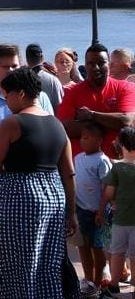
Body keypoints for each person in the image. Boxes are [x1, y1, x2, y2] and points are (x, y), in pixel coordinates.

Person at [0, 43, 54, 299]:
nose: (10, 70)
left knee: (28, 252)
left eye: (15, 66)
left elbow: (51, 137)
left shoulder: (41, 99)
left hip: (30, 190)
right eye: (5, 66)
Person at [0, 67, 77, 299]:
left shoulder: (12, 123)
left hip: (20, 195)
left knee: (19, 262)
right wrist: (71, 212)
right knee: (49, 263)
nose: (6, 100)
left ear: (20, 94)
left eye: (7, 95)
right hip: (54, 194)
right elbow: (68, 172)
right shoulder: (57, 125)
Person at [57, 43, 135, 159]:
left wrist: (91, 115)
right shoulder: (72, 93)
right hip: (82, 168)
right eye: (91, 63)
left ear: (108, 64)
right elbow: (64, 129)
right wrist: (110, 122)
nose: (96, 67)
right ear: (85, 65)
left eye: (101, 63)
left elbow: (126, 121)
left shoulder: (125, 88)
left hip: (117, 165)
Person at [73, 122, 111, 294]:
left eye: (87, 138)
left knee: (97, 246)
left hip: (97, 212)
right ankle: (87, 280)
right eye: (82, 137)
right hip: (81, 210)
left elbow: (107, 188)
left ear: (99, 140)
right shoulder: (78, 158)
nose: (83, 141)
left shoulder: (102, 161)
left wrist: (101, 211)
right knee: (83, 245)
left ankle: (97, 282)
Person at [96, 126, 135, 293]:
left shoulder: (118, 169)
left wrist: (101, 210)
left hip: (121, 220)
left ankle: (114, 284)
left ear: (122, 145)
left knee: (117, 253)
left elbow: (108, 194)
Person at [25, 43, 64, 111]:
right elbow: (60, 108)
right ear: (42, 57)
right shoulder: (52, 80)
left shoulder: (21, 79)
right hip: (50, 120)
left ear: (27, 59)